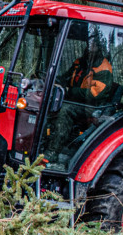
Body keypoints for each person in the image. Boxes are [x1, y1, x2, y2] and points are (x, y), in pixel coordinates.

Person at [45, 32, 113, 165]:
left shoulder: (104, 68)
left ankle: (52, 152)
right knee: (47, 104)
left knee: (65, 110)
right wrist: (55, 81)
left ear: (99, 46)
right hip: (75, 101)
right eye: (89, 44)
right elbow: (67, 77)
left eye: (93, 44)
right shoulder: (80, 62)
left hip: (93, 106)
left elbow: (94, 94)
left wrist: (71, 91)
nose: (90, 47)